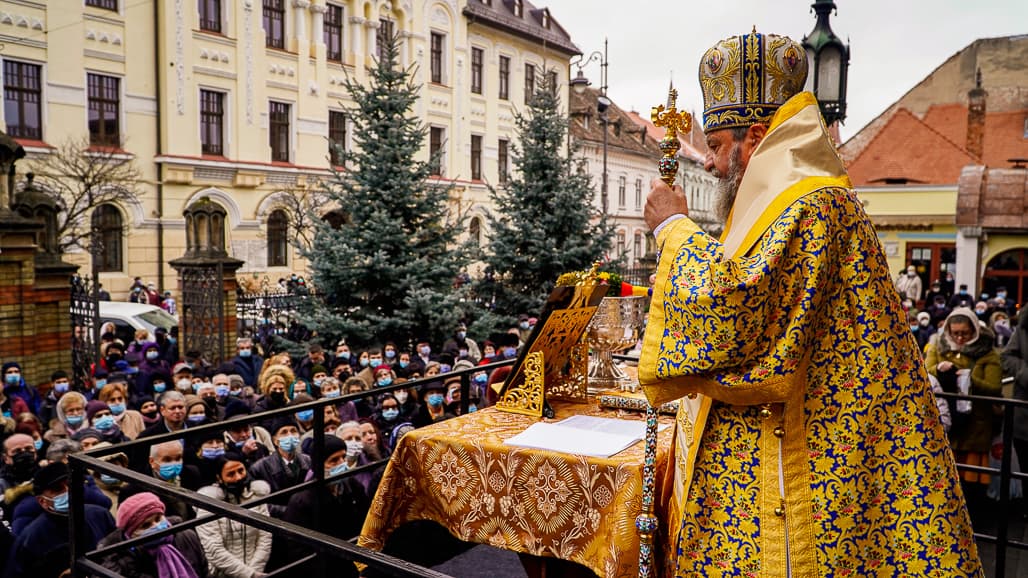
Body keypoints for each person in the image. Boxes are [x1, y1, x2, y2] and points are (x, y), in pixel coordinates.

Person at [638, 29, 979, 575]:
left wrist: (674, 228)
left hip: (812, 470)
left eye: (718, 145)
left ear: (755, 136)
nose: (709, 163)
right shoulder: (795, 203)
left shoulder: (811, 205)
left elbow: (736, 315)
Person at [925, 308, 1003, 520]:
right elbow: (925, 372)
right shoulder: (937, 347)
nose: (960, 338)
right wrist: (939, 369)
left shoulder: (988, 353)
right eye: (955, 333)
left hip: (975, 424)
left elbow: (995, 387)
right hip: (948, 421)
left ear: (974, 331)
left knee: (971, 479)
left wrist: (970, 379)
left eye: (965, 334)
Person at [5, 462, 115, 578]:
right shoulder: (31, 538)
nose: (67, 491)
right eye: (58, 489)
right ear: (43, 501)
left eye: (71, 484)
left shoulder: (100, 515)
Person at [281, 434, 367, 578]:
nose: (342, 464)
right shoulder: (302, 501)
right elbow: (299, 551)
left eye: (343, 457)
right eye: (333, 460)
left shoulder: (353, 486)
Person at [98, 491, 208, 578]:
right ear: (131, 533)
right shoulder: (120, 560)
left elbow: (204, 571)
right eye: (146, 525)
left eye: (158, 518)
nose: (156, 526)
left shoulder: (186, 536)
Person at [195, 455, 273, 578]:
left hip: (257, 570)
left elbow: (265, 538)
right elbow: (214, 549)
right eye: (231, 474)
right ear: (219, 478)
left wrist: (255, 571)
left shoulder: (257, 497)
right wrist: (249, 574)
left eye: (241, 471)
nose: (238, 477)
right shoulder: (208, 506)